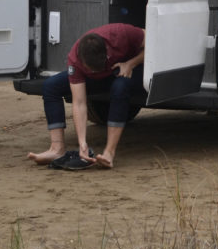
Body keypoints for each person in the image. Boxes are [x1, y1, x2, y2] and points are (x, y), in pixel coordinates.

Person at [26, 23, 145, 169]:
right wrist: (82, 143)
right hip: (102, 77)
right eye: (91, 70)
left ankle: (109, 152)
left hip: (130, 69)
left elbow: (155, 41)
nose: (95, 72)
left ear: (107, 52)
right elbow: (80, 102)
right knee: (50, 86)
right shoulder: (75, 61)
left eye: (98, 68)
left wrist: (131, 63)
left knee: (120, 87)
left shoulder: (120, 34)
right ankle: (56, 149)